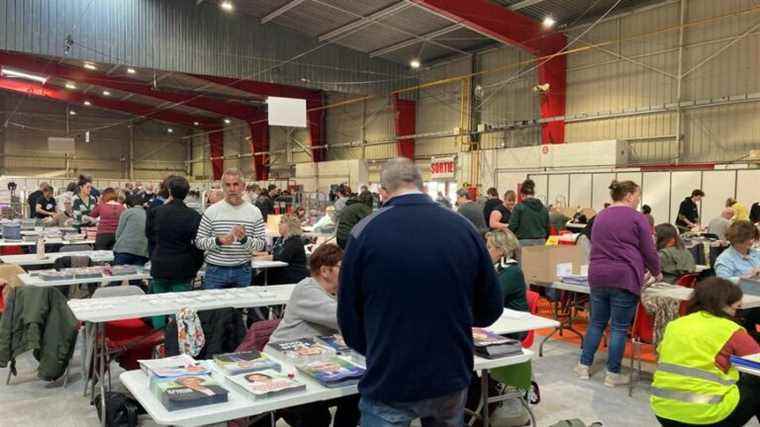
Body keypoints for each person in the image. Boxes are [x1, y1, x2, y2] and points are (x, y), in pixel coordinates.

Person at [338, 158, 503, 426]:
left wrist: (375, 348)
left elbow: (348, 313)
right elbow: (491, 308)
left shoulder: (365, 232)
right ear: (422, 185)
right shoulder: (464, 229)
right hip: (449, 373)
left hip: (390, 373)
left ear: (383, 191)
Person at [576, 180, 662, 387]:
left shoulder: (600, 216)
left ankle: (583, 366)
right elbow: (649, 249)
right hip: (624, 277)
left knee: (596, 322)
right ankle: (612, 375)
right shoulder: (637, 218)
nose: (638, 200)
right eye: (638, 196)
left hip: (597, 274)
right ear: (629, 196)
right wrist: (657, 271)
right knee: (619, 328)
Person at [268, 243, 360, 427]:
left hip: (316, 360)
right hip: (285, 367)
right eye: (344, 268)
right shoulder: (307, 289)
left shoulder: (336, 292)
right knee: (317, 418)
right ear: (325, 271)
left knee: (356, 396)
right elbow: (342, 318)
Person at [651, 278, 760, 427]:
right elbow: (757, 364)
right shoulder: (730, 329)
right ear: (724, 305)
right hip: (707, 415)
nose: (738, 314)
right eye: (737, 308)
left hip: (664, 410)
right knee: (756, 384)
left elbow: (664, 356)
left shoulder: (675, 325)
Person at [146, 176, 204, 327]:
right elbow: (198, 245)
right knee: (180, 308)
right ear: (187, 193)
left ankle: (158, 340)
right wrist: (196, 265)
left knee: (159, 305)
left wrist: (154, 257)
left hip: (160, 264)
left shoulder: (156, 211)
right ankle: (176, 341)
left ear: (170, 190)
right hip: (183, 267)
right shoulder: (194, 216)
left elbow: (149, 236)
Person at [196, 169, 266, 289]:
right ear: (222, 187)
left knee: (241, 307)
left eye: (236, 184)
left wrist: (244, 240)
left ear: (243, 186)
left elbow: (260, 245)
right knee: (215, 307)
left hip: (242, 270)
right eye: (227, 185)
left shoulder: (255, 212)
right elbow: (199, 242)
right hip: (215, 271)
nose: (232, 189)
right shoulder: (211, 211)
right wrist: (219, 241)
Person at [714, 220, 760, 339]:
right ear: (735, 239)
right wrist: (746, 276)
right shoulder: (724, 259)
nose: (750, 241)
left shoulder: (756, 254)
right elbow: (722, 284)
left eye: (752, 237)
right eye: (746, 239)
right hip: (742, 305)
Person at [485, 229, 528, 312]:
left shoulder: (512, 271)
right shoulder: (497, 268)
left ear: (501, 250)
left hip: (517, 321)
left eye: (489, 248)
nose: (485, 251)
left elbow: (491, 298)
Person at [266, 215, 309, 285]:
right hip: (281, 272)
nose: (278, 224)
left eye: (282, 222)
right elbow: (272, 253)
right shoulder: (281, 239)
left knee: (259, 280)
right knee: (258, 279)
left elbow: (281, 257)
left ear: (290, 226)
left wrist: (258, 258)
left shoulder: (295, 241)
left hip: (293, 275)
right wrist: (256, 255)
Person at [508, 179, 550, 246]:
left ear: (522, 195)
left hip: (523, 243)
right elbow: (548, 228)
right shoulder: (544, 208)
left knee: (522, 257)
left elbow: (512, 226)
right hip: (541, 242)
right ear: (533, 194)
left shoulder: (519, 207)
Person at [113, 194, 149, 270]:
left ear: (128, 205)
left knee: (116, 277)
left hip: (124, 249)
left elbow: (119, 232)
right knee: (136, 279)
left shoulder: (127, 212)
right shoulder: (148, 214)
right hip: (142, 252)